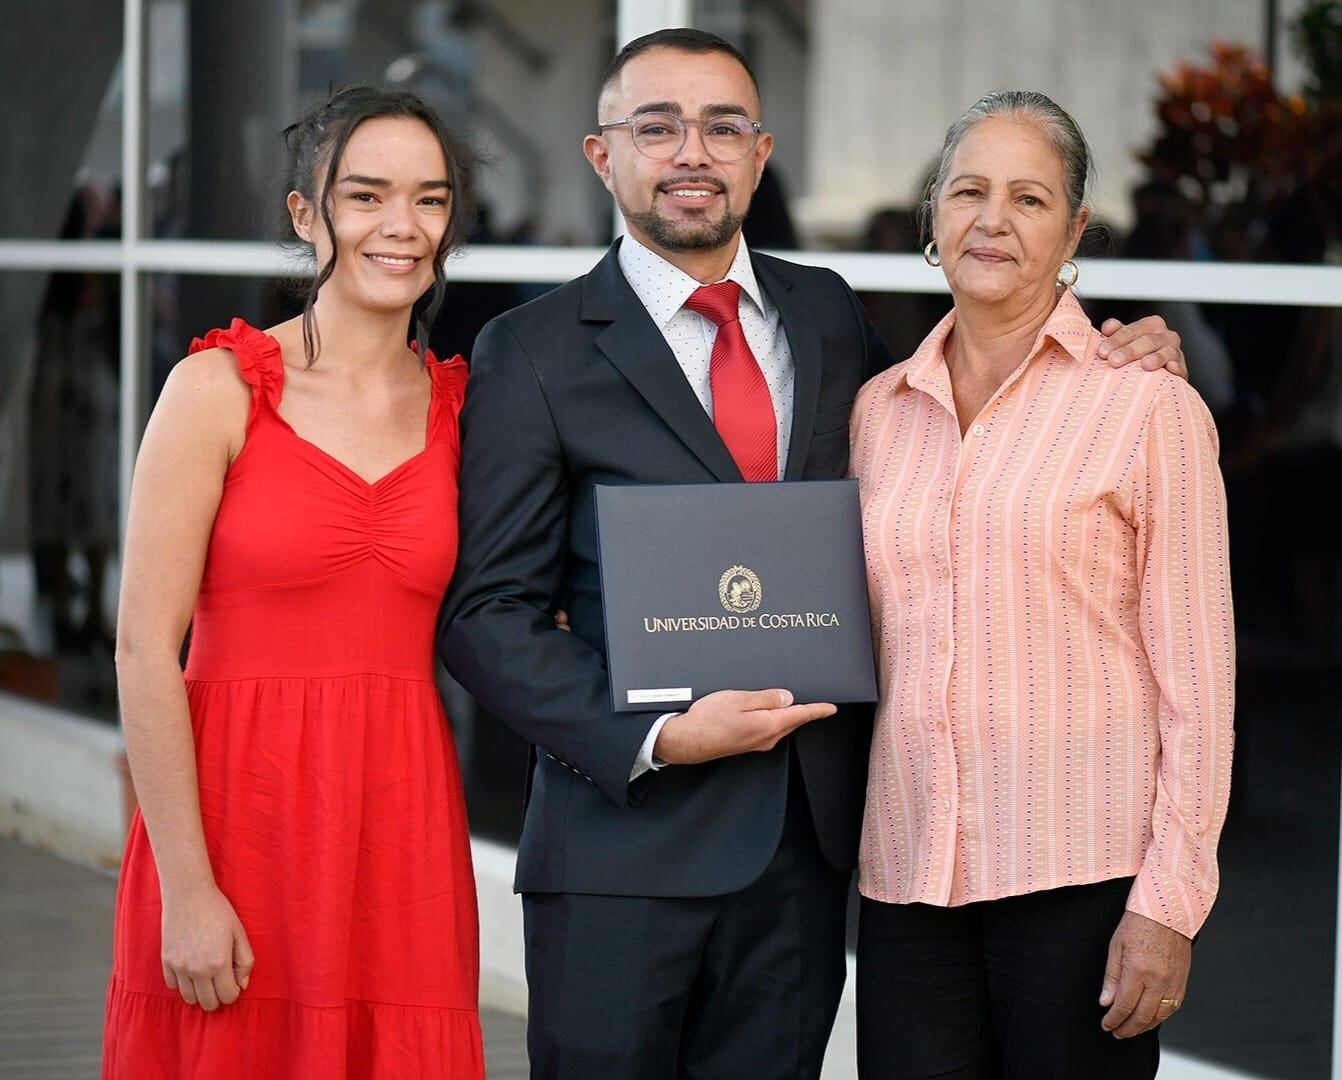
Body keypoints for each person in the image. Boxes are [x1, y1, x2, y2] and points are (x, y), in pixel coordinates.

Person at [440, 30, 1186, 1079]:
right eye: (656, 126)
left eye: (722, 126)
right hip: (623, 852)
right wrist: (656, 736)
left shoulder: (832, 318)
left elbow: (961, 455)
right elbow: (487, 615)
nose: (691, 152)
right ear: (603, 155)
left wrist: (1118, 350)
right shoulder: (532, 350)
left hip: (802, 855)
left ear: (761, 152)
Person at [849, 90, 1234, 1079]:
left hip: (1083, 886)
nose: (992, 219)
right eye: (968, 190)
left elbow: (1200, 693)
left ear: (1074, 230)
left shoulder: (1147, 407)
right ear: (932, 215)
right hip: (907, 879)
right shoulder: (875, 413)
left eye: (1028, 198)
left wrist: (1168, 905)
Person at [103, 86, 484, 1078]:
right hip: (236, 816)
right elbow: (144, 647)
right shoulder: (217, 388)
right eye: (366, 196)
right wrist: (187, 887)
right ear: (305, 215)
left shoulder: (465, 409)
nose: (402, 227)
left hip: (398, 823)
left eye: (431, 200)